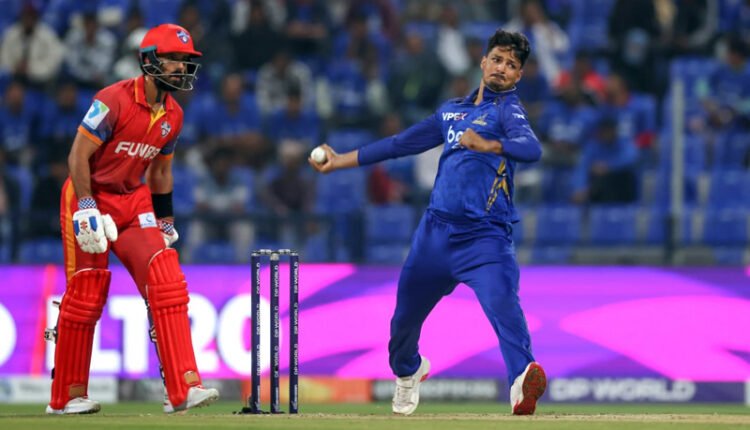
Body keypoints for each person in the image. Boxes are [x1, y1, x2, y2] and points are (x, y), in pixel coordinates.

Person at [309, 29, 546, 416]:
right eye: (497, 59)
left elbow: (531, 148)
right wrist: (339, 161)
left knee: (505, 306)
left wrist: (490, 144)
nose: (502, 68)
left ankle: (522, 381)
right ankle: (409, 370)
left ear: (518, 76)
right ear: (483, 62)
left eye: (512, 65)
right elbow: (399, 144)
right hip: (434, 236)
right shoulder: (451, 111)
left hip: (485, 239)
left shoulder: (508, 111)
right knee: (403, 323)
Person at [47, 23, 219, 415]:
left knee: (166, 278)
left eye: (185, 61)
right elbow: (77, 156)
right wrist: (86, 207)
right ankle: (66, 396)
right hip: (89, 195)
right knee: (86, 292)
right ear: (149, 61)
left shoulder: (174, 115)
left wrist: (165, 221)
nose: (181, 67)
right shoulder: (113, 100)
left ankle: (183, 389)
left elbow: (160, 172)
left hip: (132, 199)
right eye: (173, 59)